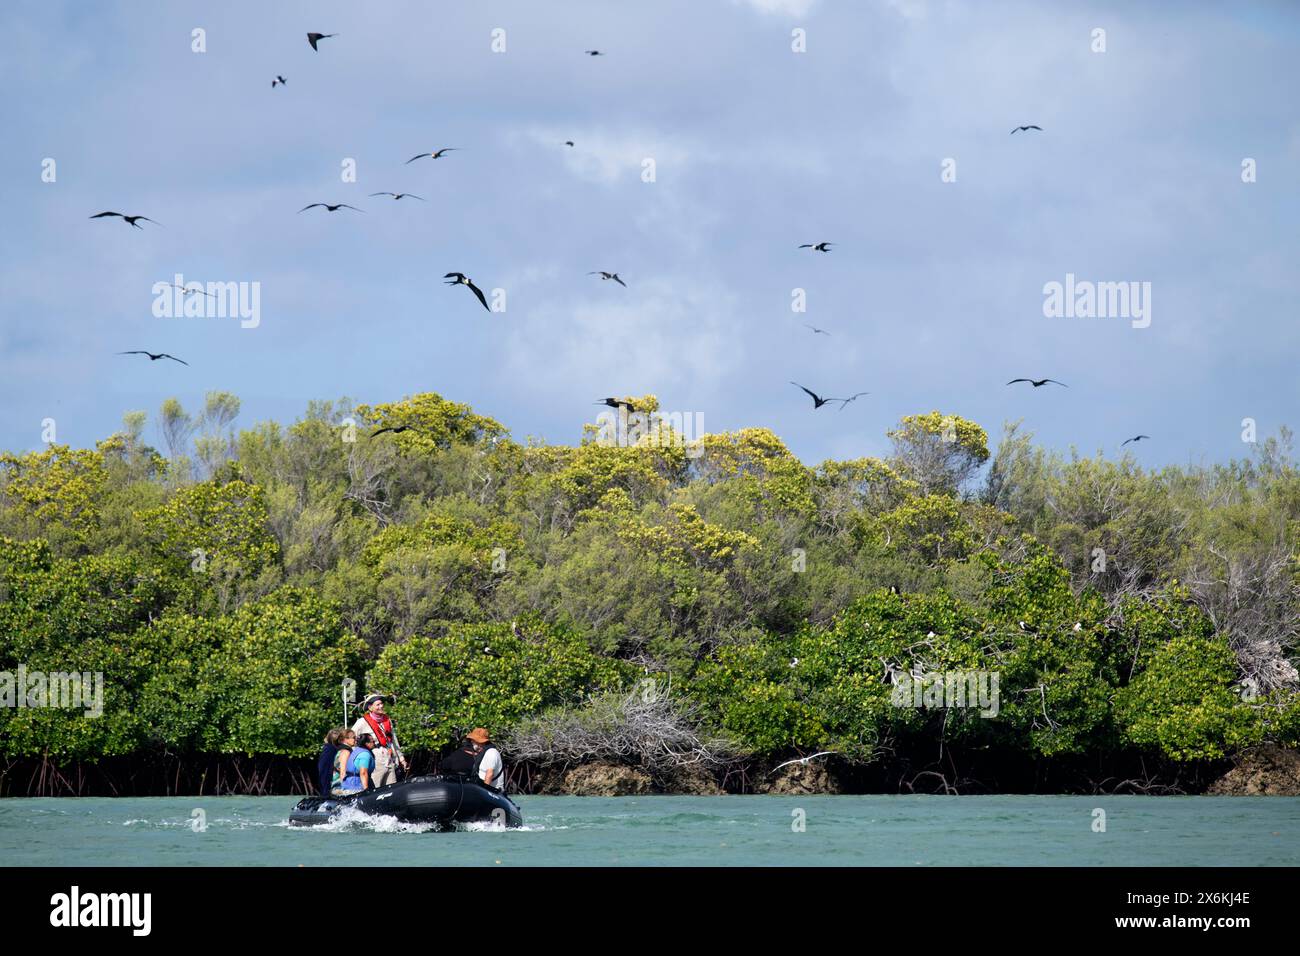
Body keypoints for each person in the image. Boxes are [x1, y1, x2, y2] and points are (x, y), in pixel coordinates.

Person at [351, 694, 408, 787]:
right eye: (377, 705)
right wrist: (357, 756)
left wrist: (401, 759)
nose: (381, 706)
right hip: (375, 758)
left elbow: (394, 740)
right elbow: (350, 738)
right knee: (377, 788)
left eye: (381, 704)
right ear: (370, 708)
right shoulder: (361, 722)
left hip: (389, 758)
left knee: (392, 787)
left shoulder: (387, 720)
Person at [317, 727, 348, 797]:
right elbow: (325, 769)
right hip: (328, 780)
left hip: (326, 779)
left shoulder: (329, 748)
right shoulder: (330, 750)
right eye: (342, 739)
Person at [331, 730, 356, 796]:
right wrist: (344, 787)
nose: (355, 739)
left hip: (335, 782)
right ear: (345, 739)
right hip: (340, 785)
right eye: (353, 737)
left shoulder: (338, 749)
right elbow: (343, 771)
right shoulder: (346, 752)